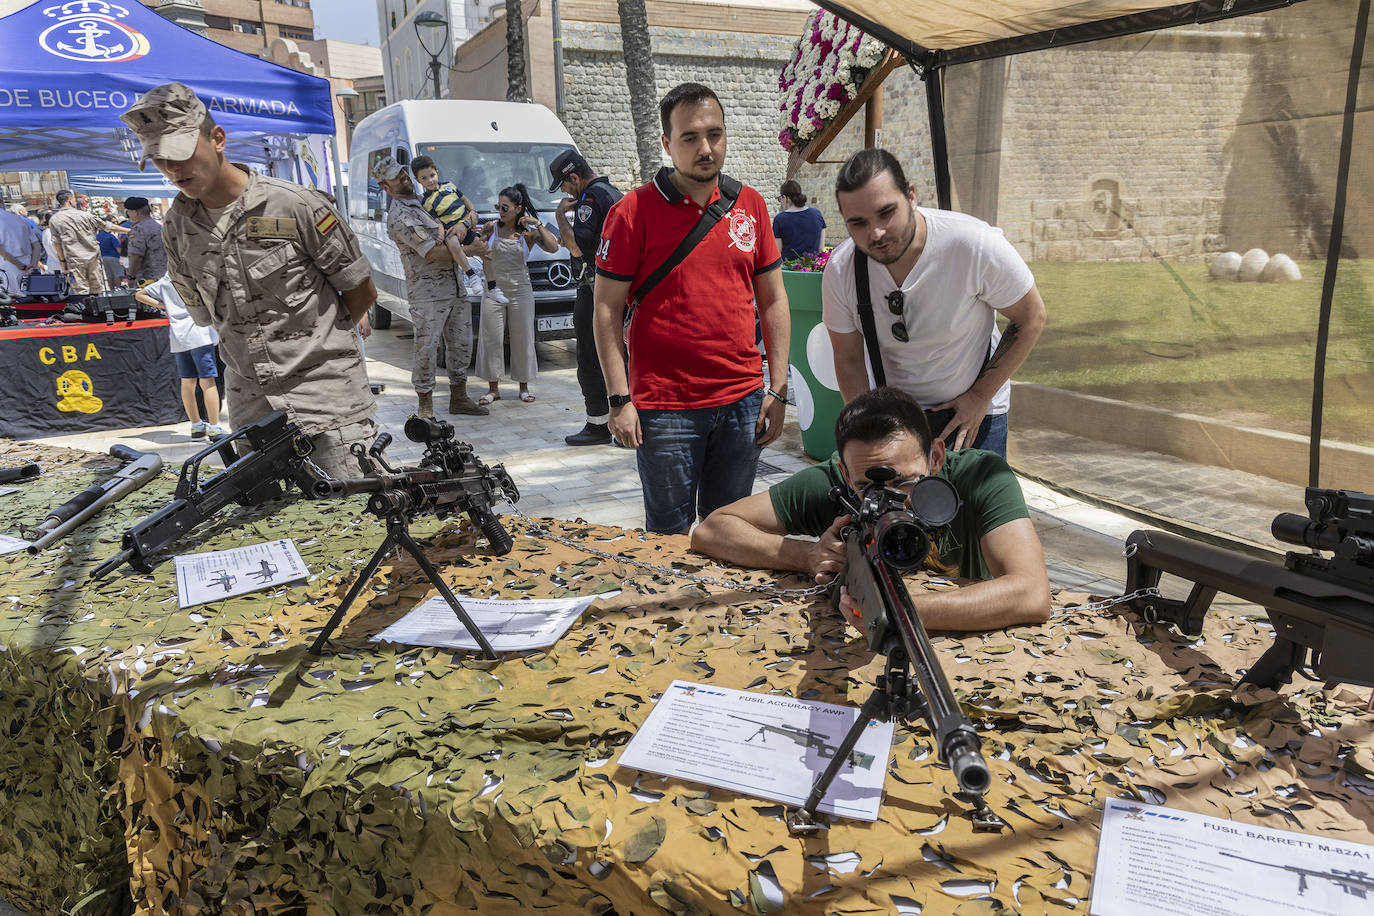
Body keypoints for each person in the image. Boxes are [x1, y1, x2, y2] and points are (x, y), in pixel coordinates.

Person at [120, 82, 377, 476]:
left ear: (217, 139)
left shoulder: (295, 205)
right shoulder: (176, 226)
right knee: (270, 527)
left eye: (180, 154)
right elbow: (204, 316)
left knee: (358, 520)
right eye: (159, 159)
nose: (172, 169)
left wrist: (324, 339)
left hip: (326, 402)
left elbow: (359, 289)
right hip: (251, 407)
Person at [593, 82, 790, 534]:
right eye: (690, 138)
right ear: (667, 143)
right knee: (667, 535)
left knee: (730, 529)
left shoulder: (751, 205)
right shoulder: (631, 212)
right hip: (665, 408)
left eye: (715, 134)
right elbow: (605, 313)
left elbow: (774, 299)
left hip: (742, 401)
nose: (706, 148)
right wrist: (620, 399)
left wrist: (776, 388)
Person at [691, 387, 1051, 632]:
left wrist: (898, 612)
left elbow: (1032, 593)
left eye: (905, 481)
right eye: (868, 487)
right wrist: (809, 555)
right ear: (845, 473)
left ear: (936, 457)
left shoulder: (980, 476)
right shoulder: (832, 483)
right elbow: (712, 529)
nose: (890, 500)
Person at [823, 148, 1046, 459]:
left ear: (912, 196)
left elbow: (1031, 316)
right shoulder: (842, 267)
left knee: (975, 507)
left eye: (887, 212)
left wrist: (980, 396)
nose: (876, 233)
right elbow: (848, 358)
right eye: (858, 223)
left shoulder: (972, 243)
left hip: (975, 414)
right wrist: (867, 427)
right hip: (893, 419)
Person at [372, 155, 488, 418]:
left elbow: (457, 219)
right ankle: (425, 405)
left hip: (454, 285)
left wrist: (467, 222)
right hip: (427, 294)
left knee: (460, 344)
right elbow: (433, 252)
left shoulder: (425, 201)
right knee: (426, 349)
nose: (403, 177)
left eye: (403, 172)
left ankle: (459, 398)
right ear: (385, 187)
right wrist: (472, 249)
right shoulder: (400, 215)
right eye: (396, 176)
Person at [550, 149, 622, 446]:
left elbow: (578, 247)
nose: (565, 192)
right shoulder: (612, 192)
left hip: (595, 289)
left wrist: (559, 216)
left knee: (590, 358)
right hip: (618, 289)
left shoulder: (590, 199)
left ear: (574, 177)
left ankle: (598, 425)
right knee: (620, 355)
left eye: (564, 185)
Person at [467, 183, 558, 406]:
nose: (500, 211)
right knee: (491, 338)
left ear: (518, 209)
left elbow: (553, 247)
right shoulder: (490, 228)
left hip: (521, 290)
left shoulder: (528, 233)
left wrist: (537, 223)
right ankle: (493, 389)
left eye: (505, 207)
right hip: (493, 290)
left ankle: (524, 387)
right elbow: (475, 247)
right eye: (499, 206)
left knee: (523, 337)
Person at [135, 273, 222, 439]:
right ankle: (214, 427)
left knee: (187, 381)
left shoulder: (166, 279)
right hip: (200, 333)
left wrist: (165, 305)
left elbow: (139, 294)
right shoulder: (193, 274)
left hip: (178, 336)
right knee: (208, 381)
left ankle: (196, 425)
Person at [407, 154, 490, 301]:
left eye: (432, 175)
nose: (430, 180)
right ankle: (471, 275)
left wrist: (472, 211)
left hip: (467, 225)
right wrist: (440, 234)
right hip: (451, 230)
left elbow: (465, 200)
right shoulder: (426, 202)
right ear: (417, 180)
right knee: (452, 244)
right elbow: (438, 222)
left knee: (484, 247)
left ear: (437, 172)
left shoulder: (450, 186)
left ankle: (493, 284)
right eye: (424, 178)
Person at [48, 189, 122, 295]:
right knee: (97, 289)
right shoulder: (85, 215)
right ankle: (98, 310)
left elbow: (57, 243)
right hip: (92, 257)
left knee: (81, 291)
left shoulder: (55, 219)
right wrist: (129, 230)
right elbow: (107, 226)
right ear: (70, 200)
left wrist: (62, 262)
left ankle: (86, 310)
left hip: (74, 260)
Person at [0, 191, 41, 301]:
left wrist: (21, 266)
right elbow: (36, 245)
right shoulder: (19, 219)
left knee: (11, 304)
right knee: (32, 301)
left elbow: (1, 251)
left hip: (7, 267)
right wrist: (32, 265)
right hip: (28, 264)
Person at [772, 179, 825, 261]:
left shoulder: (780, 219)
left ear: (786, 198)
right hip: (813, 269)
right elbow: (821, 248)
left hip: (789, 269)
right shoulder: (817, 214)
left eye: (781, 199)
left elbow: (778, 250)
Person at [123, 196, 167, 285]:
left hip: (147, 280)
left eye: (129, 212)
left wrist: (131, 277)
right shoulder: (158, 226)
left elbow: (136, 256)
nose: (128, 214)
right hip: (163, 276)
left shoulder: (138, 229)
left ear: (135, 212)